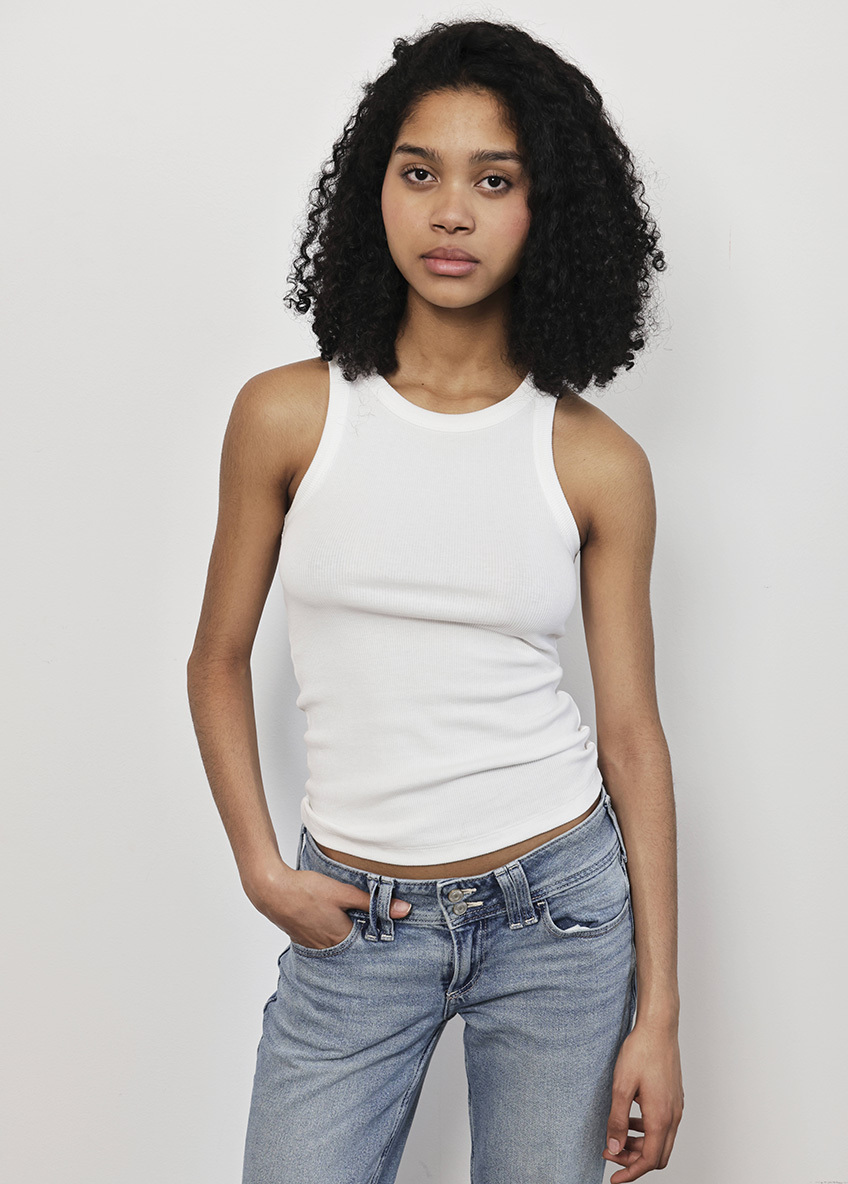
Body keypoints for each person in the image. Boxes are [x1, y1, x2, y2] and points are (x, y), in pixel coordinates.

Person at [187, 18, 683, 1184]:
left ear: (544, 208)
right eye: (419, 173)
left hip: (557, 914)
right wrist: (262, 867)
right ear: (377, 190)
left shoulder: (593, 459)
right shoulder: (287, 416)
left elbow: (629, 736)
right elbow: (216, 657)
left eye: (491, 180)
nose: (449, 212)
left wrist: (658, 1014)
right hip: (350, 912)